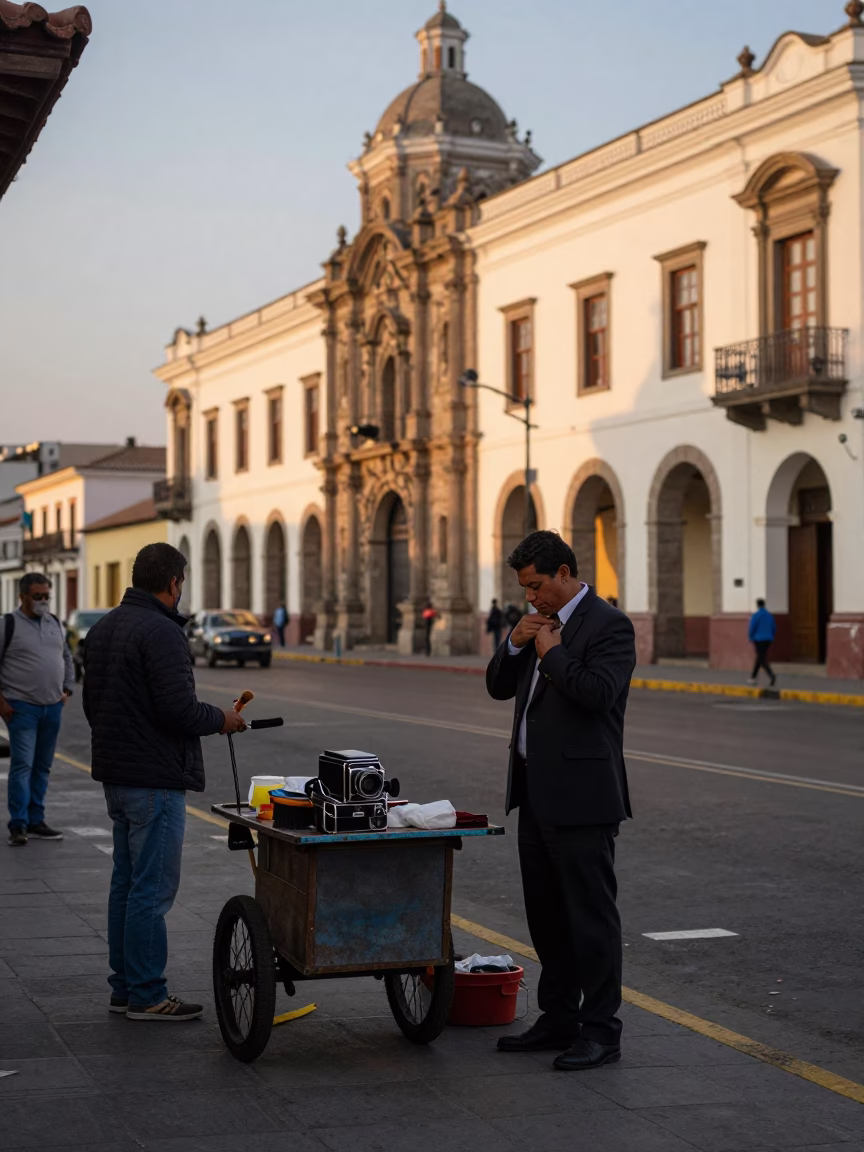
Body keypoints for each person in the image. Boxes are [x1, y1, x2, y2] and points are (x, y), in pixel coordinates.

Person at [486, 530, 636, 1072]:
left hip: (583, 798)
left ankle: (601, 1031)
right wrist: (514, 645)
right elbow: (498, 688)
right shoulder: (535, 626)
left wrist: (550, 653)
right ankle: (558, 1018)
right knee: (546, 916)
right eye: (525, 588)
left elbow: (598, 694)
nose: (531, 597)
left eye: (538, 586)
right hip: (535, 793)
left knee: (590, 920)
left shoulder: (609, 625)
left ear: (566, 573)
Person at [83, 543, 247, 1021]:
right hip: (153, 778)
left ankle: (125, 986)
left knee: (127, 884)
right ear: (174, 582)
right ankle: (148, 994)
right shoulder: (163, 632)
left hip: (117, 774)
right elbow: (178, 710)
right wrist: (223, 719)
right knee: (151, 891)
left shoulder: (104, 627)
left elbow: (95, 707)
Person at [0, 573, 73, 847]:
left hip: (52, 707)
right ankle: (18, 824)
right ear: (22, 597)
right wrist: (1, 701)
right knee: (23, 765)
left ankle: (36, 819)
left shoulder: (54, 622)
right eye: (37, 596)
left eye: (46, 596)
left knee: (42, 766)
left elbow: (65, 655)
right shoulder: (7, 625)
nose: (43, 601)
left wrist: (66, 688)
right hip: (21, 707)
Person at [748, 598, 776, 687]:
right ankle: (753, 677)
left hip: (759, 639)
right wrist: (772, 636)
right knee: (760, 657)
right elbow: (774, 627)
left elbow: (752, 627)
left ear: (757, 605)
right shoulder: (769, 615)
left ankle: (771, 675)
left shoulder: (756, 615)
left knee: (761, 659)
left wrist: (750, 637)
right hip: (768, 639)